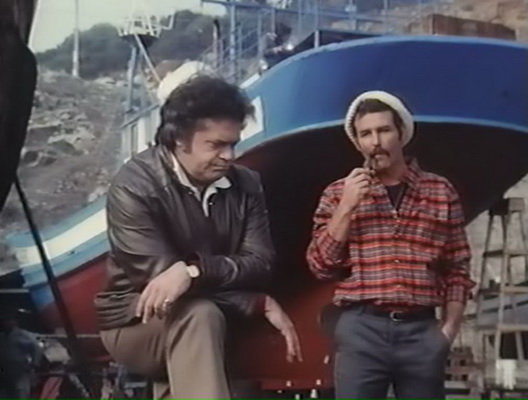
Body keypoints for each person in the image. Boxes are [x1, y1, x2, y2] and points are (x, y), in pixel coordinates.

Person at [95, 75, 301, 399]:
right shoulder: (134, 185)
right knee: (199, 315)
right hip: (135, 320)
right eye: (216, 145)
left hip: (208, 315)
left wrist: (194, 271)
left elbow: (260, 263)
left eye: (233, 144)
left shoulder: (247, 184)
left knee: (204, 323)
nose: (229, 156)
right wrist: (252, 301)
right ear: (179, 140)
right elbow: (164, 291)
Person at [306, 90, 475, 399]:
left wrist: (448, 330)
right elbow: (320, 266)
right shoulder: (337, 194)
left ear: (401, 134)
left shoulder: (440, 191)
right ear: (357, 142)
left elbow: (457, 267)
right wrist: (346, 207)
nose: (375, 142)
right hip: (361, 329)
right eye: (366, 134)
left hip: (421, 331)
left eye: (384, 130)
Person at [0, 312, 43, 398]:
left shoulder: (22, 334)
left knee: (20, 391)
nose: (4, 323)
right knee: (8, 393)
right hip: (4, 370)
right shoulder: (2, 336)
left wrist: (34, 364)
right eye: (3, 321)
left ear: (14, 322)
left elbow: (36, 348)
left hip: (19, 368)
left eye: (7, 320)